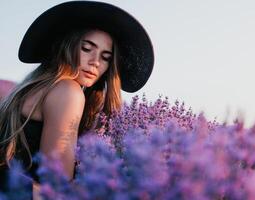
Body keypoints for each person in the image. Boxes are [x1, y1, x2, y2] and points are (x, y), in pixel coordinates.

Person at [0, 1, 154, 198]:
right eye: (87, 48)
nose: (95, 62)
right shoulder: (68, 91)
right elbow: (57, 183)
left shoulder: (37, 85)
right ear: (68, 45)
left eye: (105, 57)